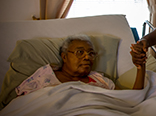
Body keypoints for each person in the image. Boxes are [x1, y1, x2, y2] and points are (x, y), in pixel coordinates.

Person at [16, 34, 145, 96]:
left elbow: (131, 99)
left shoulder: (100, 80)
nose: (87, 57)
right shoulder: (45, 75)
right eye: (80, 52)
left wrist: (140, 68)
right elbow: (21, 106)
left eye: (91, 53)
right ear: (64, 56)